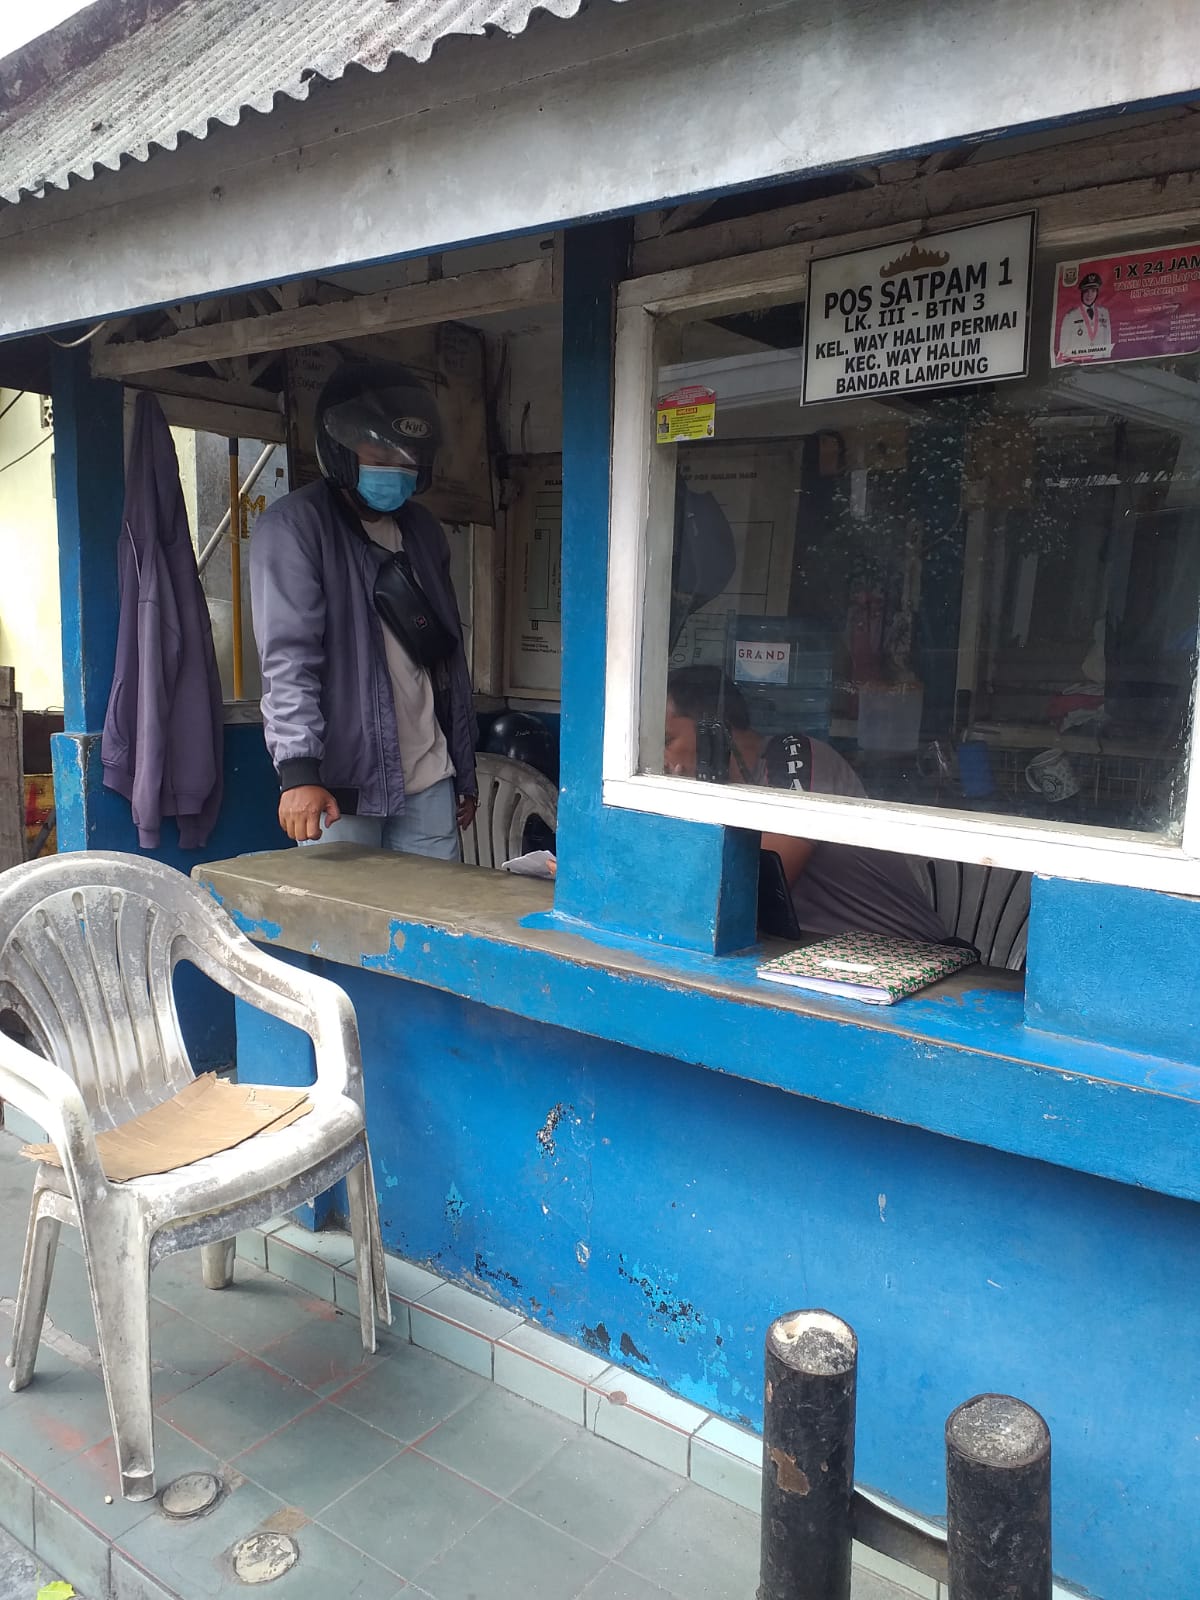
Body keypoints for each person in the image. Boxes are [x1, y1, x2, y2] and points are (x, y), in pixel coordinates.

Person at [250, 361, 477, 856]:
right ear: (340, 450)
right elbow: (289, 658)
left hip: (430, 777)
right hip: (339, 788)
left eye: (407, 456)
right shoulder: (295, 528)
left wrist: (463, 767)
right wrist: (298, 772)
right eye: (381, 453)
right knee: (341, 909)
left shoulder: (424, 531)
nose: (397, 466)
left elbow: (446, 659)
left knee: (437, 905)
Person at [664, 666, 948, 943]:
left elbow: (750, 890)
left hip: (901, 950)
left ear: (714, 728)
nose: (661, 757)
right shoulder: (721, 792)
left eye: (667, 740)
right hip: (812, 952)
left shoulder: (794, 758)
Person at [1057, 272, 1113, 363]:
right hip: (1079, 364)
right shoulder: (1070, 316)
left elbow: (1107, 340)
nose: (1089, 295)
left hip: (1100, 363)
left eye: (1093, 291)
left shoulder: (1104, 312)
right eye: (1086, 291)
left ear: (1097, 293)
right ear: (1082, 292)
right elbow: (1064, 348)